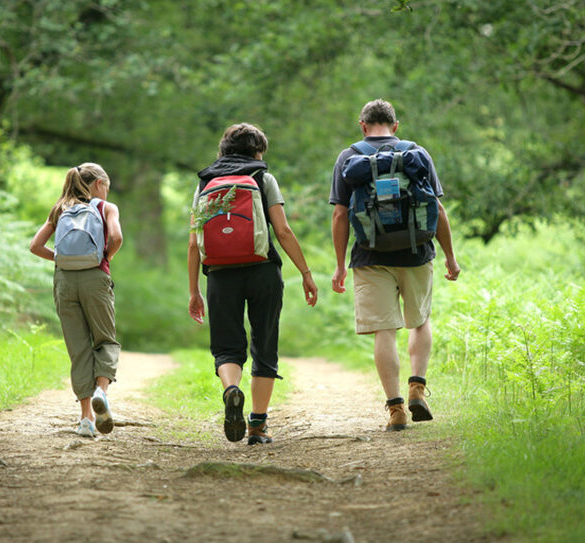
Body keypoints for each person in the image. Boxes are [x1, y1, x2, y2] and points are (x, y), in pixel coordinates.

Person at [329, 99, 460, 431]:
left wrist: (340, 264)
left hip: (370, 257)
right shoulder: (416, 153)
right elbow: (437, 209)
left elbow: (340, 214)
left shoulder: (349, 157)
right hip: (417, 252)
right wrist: (450, 257)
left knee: (384, 331)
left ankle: (396, 409)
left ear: (362, 125)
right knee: (420, 321)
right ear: (395, 126)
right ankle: (417, 386)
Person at [188, 123, 318, 445]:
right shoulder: (263, 178)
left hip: (219, 274)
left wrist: (194, 290)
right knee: (265, 343)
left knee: (227, 346)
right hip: (262, 270)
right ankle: (257, 426)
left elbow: (194, 243)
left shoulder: (206, 182)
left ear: (224, 148)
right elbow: (283, 231)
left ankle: (232, 389)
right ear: (258, 151)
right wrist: (305, 272)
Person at [30, 162, 123, 438]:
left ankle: (85, 420)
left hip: (64, 282)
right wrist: (104, 258)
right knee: (105, 340)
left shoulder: (60, 208)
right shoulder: (106, 208)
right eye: (106, 186)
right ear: (98, 185)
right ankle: (101, 392)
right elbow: (116, 237)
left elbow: (35, 246)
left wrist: (59, 258)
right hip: (95, 278)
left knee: (78, 348)